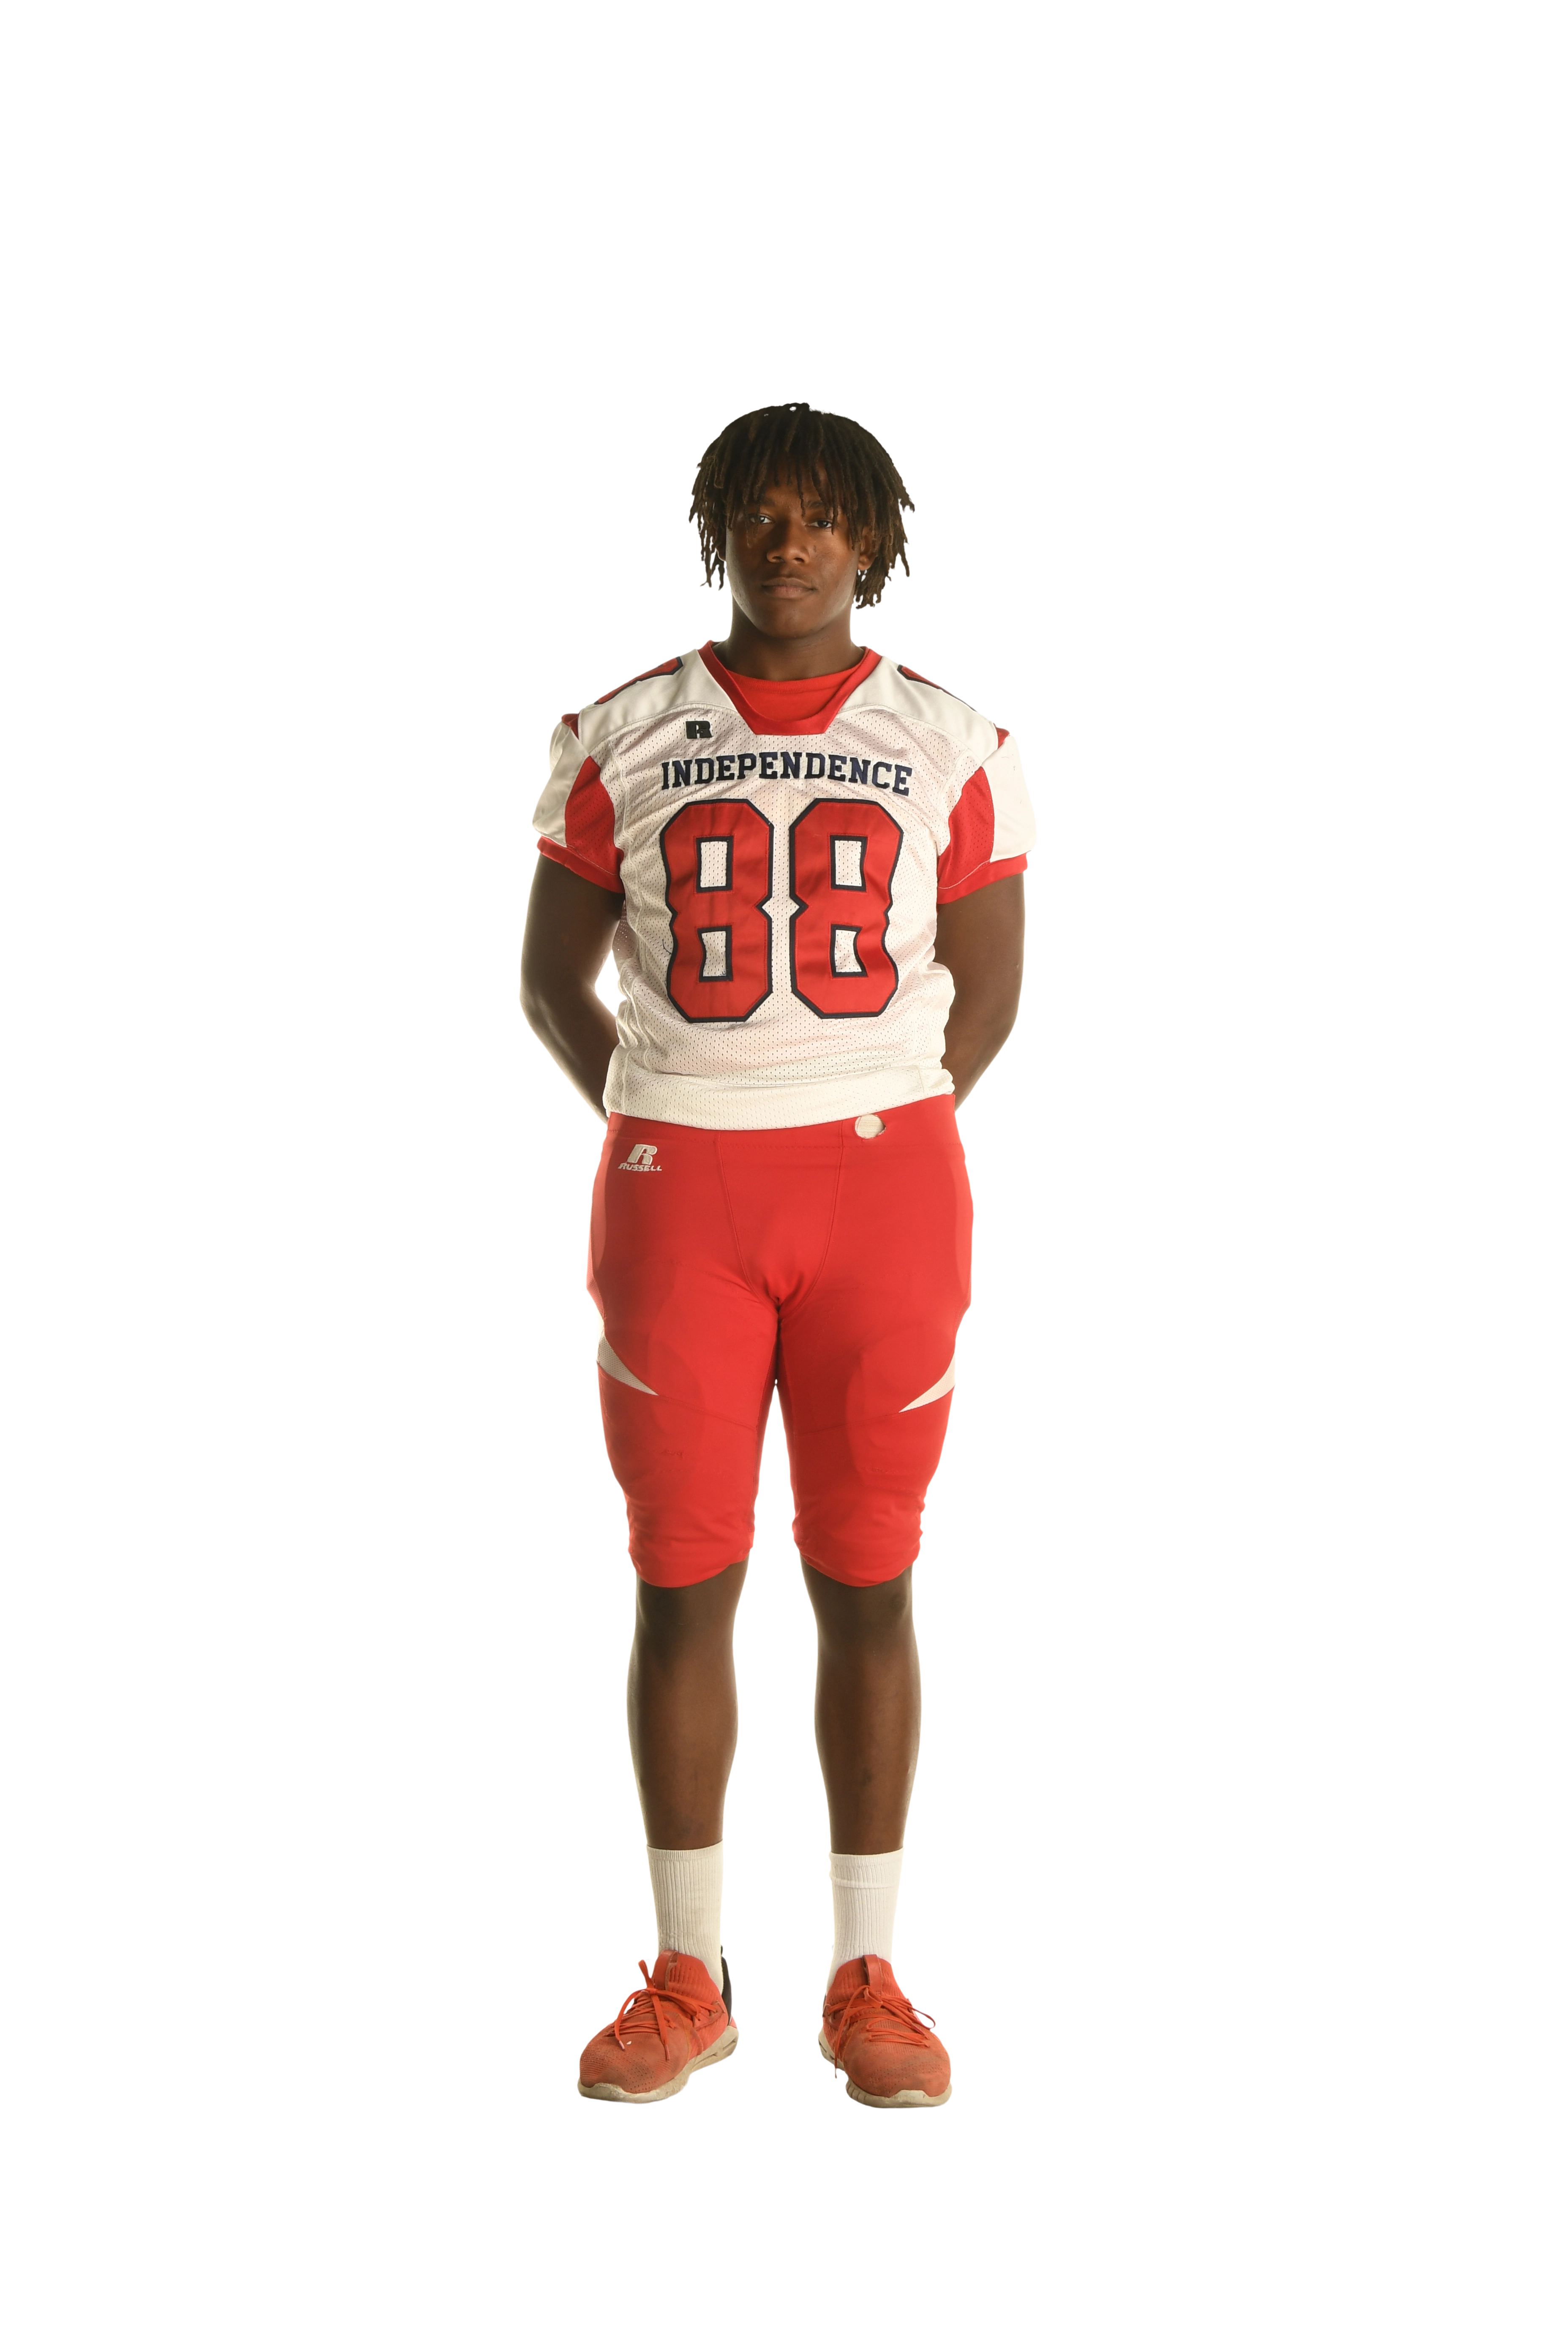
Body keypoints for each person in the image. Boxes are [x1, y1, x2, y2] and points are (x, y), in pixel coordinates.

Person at [520, 401, 1033, 2107]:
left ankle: (868, 1972)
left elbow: (987, 994)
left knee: (868, 1571)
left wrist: (854, 1117)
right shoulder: (621, 731)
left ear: (875, 536)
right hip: (678, 1184)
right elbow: (549, 979)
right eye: (758, 512)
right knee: (682, 1574)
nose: (789, 542)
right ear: (714, 531)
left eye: (822, 515)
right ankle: (687, 1978)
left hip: (884, 1185)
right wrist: (671, 1113)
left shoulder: (952, 738)